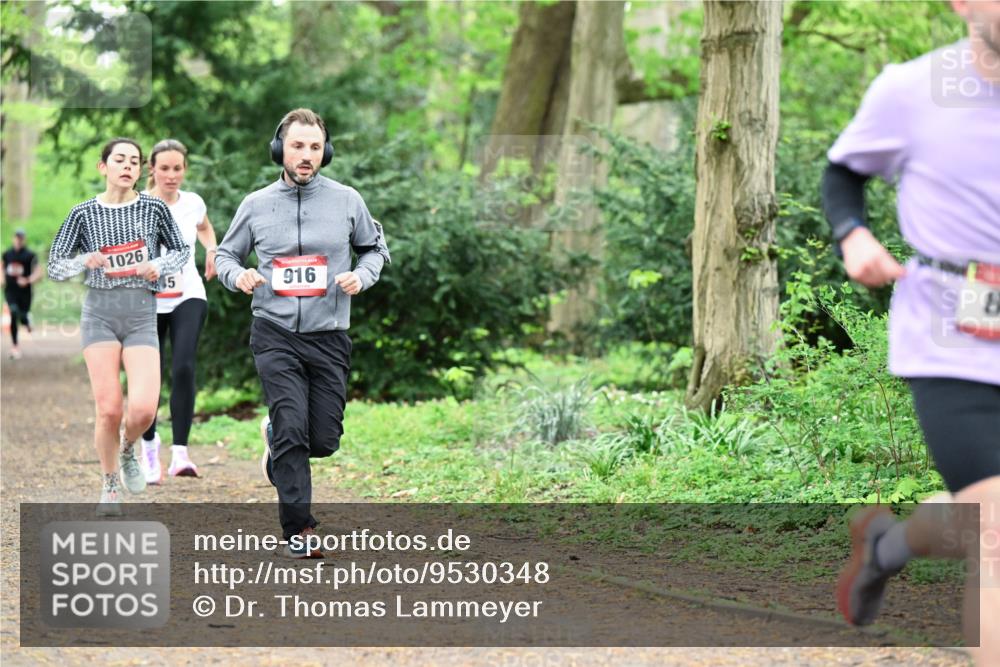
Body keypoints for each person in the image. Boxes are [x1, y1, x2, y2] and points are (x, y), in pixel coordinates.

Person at [825, 2, 999, 663]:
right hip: (952, 339)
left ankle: (885, 544)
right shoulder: (912, 90)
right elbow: (842, 172)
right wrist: (855, 234)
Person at [215, 108, 389, 558]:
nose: (306, 155)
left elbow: (374, 249)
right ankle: (299, 531)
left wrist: (362, 277)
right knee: (293, 426)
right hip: (274, 331)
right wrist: (240, 277)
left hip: (329, 334)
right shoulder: (255, 205)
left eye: (315, 147)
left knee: (324, 440)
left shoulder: (348, 200)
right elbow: (226, 256)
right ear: (280, 149)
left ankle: (275, 441)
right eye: (298, 146)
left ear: (325, 152)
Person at [48, 138, 190, 515]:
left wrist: (159, 266)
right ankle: (110, 484)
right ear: (103, 167)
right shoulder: (83, 213)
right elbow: (55, 265)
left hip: (142, 313)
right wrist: (84, 261)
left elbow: (182, 250)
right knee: (109, 409)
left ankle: (128, 447)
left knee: (143, 410)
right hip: (100, 314)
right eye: (119, 160)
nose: (127, 166)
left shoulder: (154, 208)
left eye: (134, 162)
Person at [139, 139, 218, 483]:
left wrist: (212, 249)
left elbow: (203, 227)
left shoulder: (193, 203)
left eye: (178, 168)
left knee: (184, 366)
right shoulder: (137, 205)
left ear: (185, 169)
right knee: (149, 377)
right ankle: (150, 451)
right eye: (164, 168)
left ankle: (181, 455)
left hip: (188, 294)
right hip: (146, 299)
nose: (171, 175)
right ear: (152, 170)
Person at [2, 228, 42, 359]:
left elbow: (39, 272)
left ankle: (27, 322)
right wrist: (1, 278)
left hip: (25, 293)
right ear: (13, 238)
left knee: (23, 316)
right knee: (13, 313)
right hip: (10, 291)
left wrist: (28, 280)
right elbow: (1, 267)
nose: (18, 240)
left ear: (24, 239)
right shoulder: (7, 254)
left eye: (21, 237)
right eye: (17, 237)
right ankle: (15, 347)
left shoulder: (30, 255)